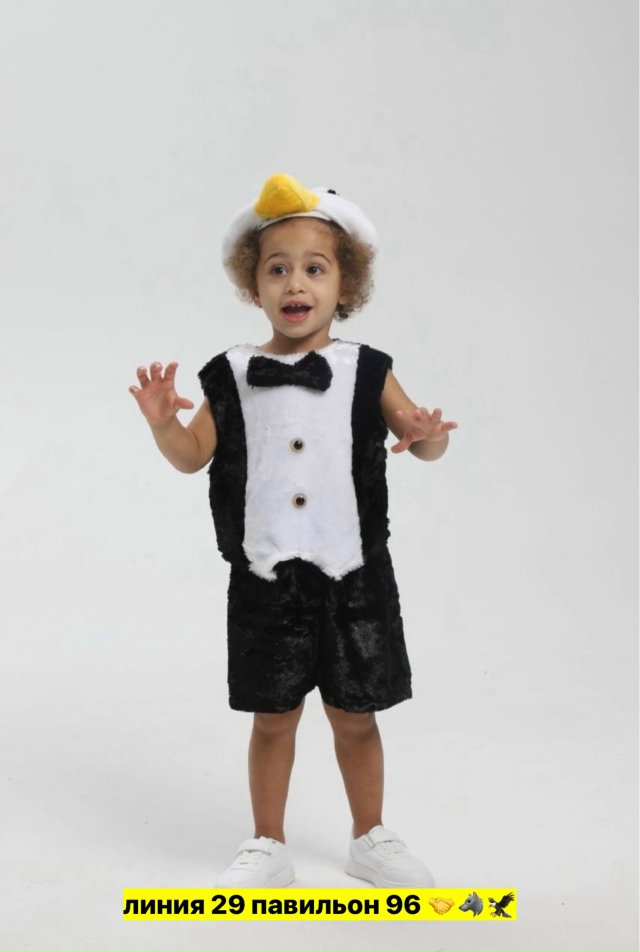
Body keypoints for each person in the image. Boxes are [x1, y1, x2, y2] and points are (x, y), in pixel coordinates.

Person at [129, 173, 458, 889]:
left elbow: (420, 442)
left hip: (354, 575)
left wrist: (429, 437)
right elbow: (192, 456)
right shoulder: (231, 374)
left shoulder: (368, 370)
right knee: (272, 718)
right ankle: (267, 842)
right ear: (254, 286)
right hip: (265, 576)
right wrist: (162, 424)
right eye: (277, 269)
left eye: (315, 268)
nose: (295, 283)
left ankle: (369, 836)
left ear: (346, 284)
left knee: (355, 716)